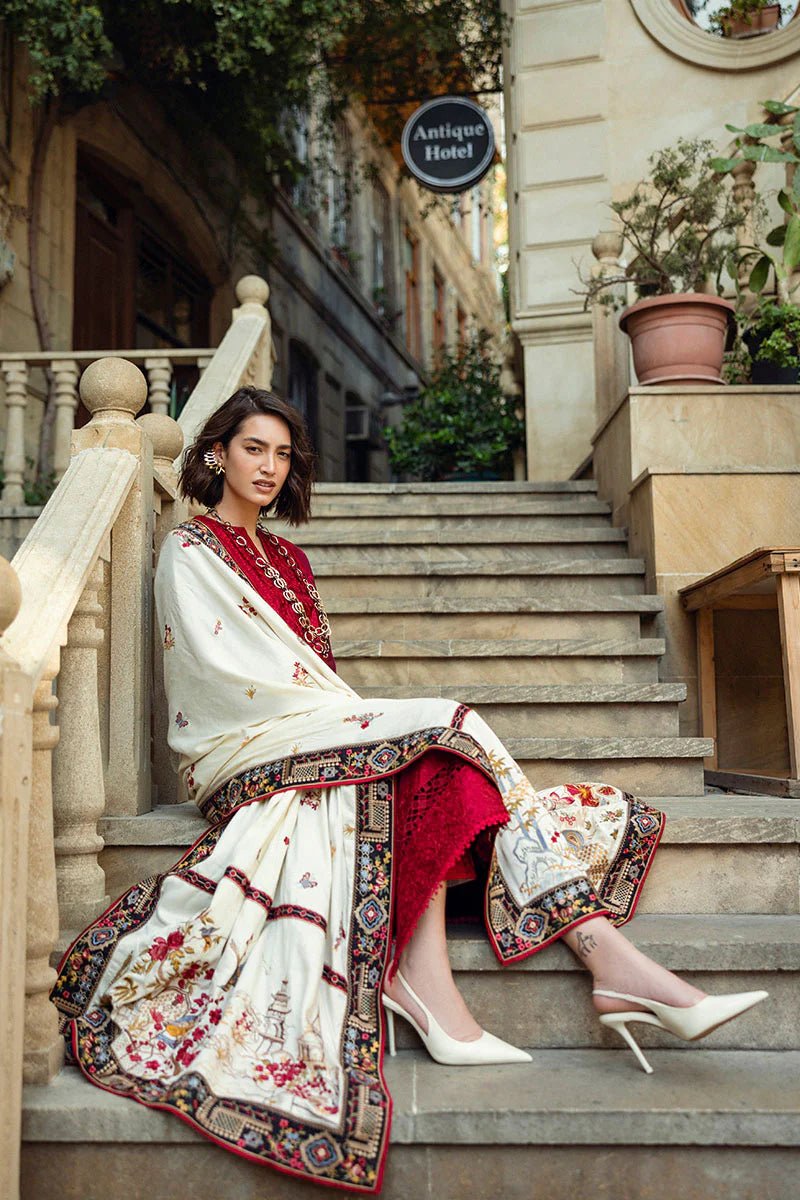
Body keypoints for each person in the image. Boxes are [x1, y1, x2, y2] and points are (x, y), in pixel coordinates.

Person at [52, 386, 767, 1194]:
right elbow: (224, 679)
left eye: (283, 455)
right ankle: (604, 965)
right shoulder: (189, 550)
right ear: (217, 452)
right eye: (255, 448)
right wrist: (360, 720)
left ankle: (471, 986)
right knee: (444, 721)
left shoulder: (289, 558)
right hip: (240, 746)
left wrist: (359, 725)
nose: (269, 467)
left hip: (310, 729)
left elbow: (311, 675)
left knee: (433, 766)